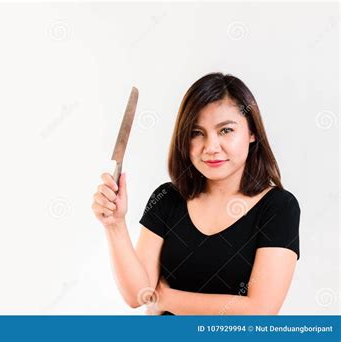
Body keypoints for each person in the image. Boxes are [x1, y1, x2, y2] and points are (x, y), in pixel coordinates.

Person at [91, 72, 301, 315]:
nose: (211, 147)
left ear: (252, 132)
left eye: (225, 130)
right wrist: (115, 225)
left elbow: (260, 310)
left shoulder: (278, 207)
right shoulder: (167, 198)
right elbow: (137, 294)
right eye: (196, 133)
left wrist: (166, 299)